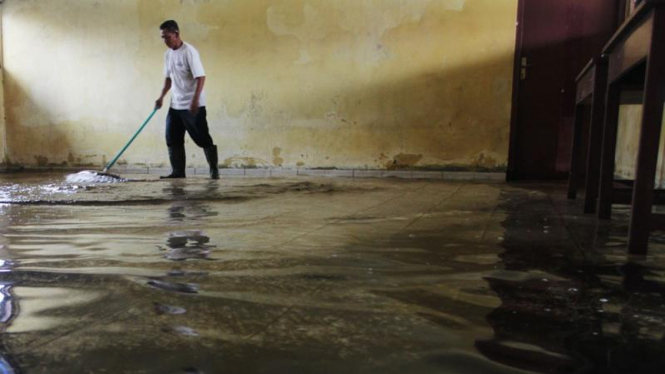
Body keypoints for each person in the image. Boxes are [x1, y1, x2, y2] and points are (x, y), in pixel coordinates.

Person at [155, 20, 219, 179]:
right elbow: (169, 78)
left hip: (192, 106)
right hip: (175, 105)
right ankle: (178, 172)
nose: (165, 41)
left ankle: (214, 169)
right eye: (163, 38)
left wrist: (195, 100)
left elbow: (201, 77)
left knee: (202, 138)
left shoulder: (189, 52)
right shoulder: (168, 54)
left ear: (176, 34)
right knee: (172, 137)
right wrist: (161, 97)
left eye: (167, 37)